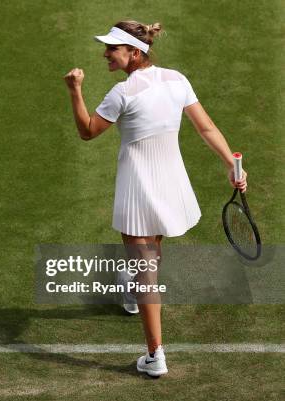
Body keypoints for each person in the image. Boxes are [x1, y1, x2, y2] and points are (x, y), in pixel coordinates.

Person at [63, 20, 247, 377]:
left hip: (138, 186)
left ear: (134, 52)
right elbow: (206, 127)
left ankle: (155, 356)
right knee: (151, 257)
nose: (105, 54)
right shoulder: (177, 80)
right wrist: (231, 164)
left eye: (112, 49)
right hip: (170, 181)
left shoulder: (123, 94)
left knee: (146, 268)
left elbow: (87, 132)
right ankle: (132, 293)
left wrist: (75, 90)